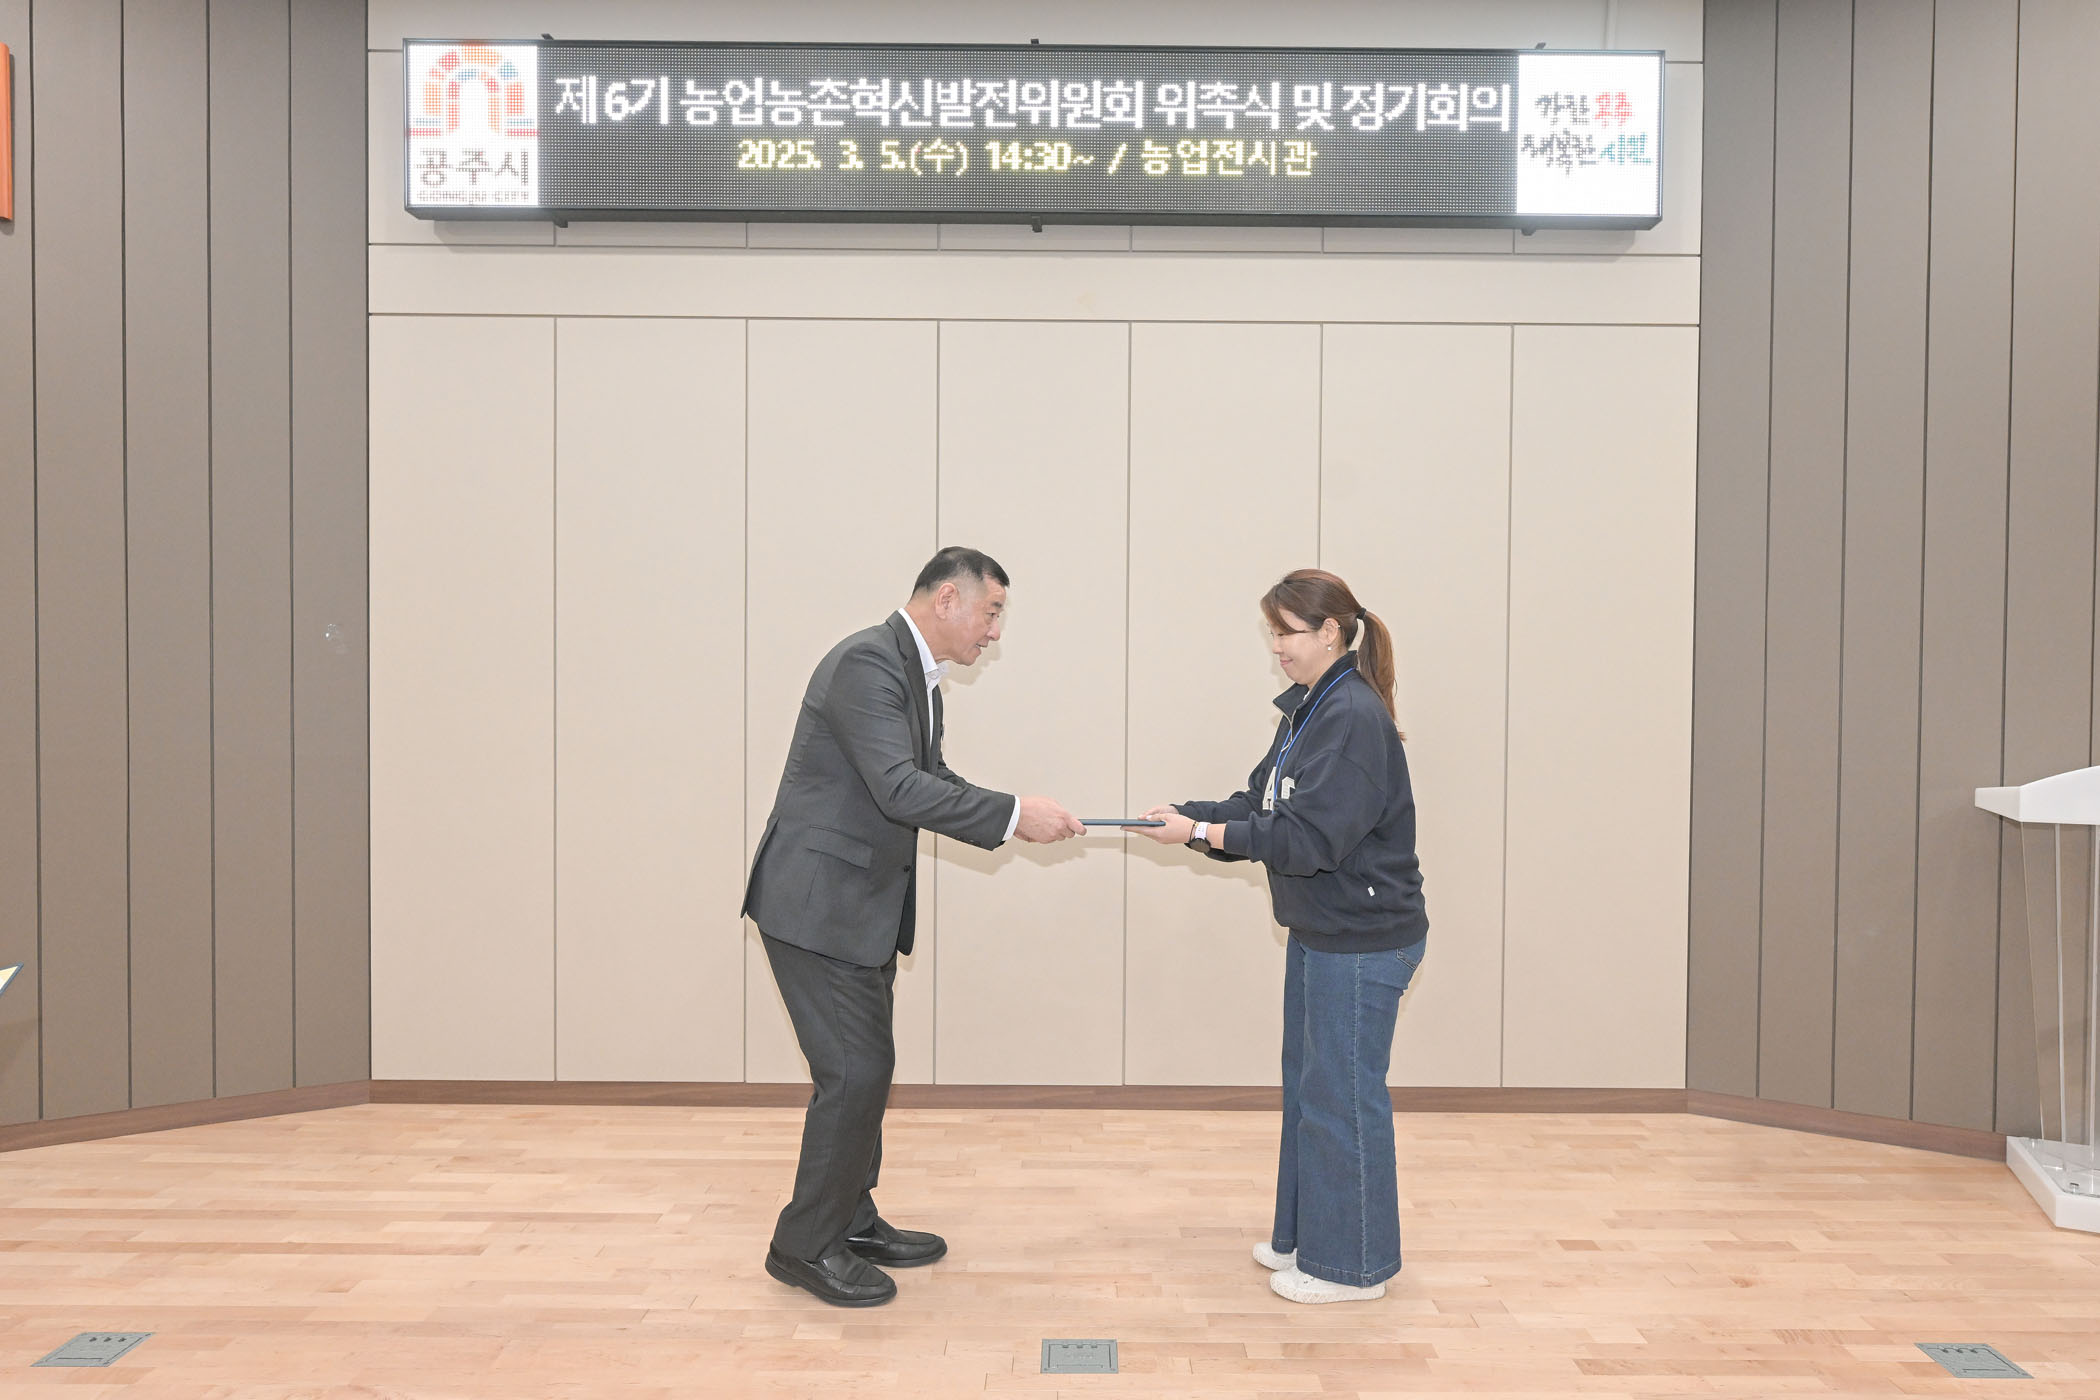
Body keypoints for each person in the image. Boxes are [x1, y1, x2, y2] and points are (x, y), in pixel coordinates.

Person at [744, 546, 1085, 1307]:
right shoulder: (868, 663)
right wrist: (1012, 816)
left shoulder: (914, 676)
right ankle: (803, 1246)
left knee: (865, 1070)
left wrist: (1015, 813)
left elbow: (929, 779)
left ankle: (849, 1220)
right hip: (817, 906)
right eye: (991, 612)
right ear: (946, 600)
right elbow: (900, 789)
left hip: (855, 909)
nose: (994, 632)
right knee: (854, 1073)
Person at [1136, 568, 1427, 1305]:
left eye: (1285, 632)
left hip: (1362, 941)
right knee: (1311, 1091)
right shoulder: (1307, 710)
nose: (1276, 647)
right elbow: (1260, 804)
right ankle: (1307, 1238)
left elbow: (1309, 840)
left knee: (1342, 1101)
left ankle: (1351, 1268)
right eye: (1271, 632)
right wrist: (1190, 819)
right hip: (1323, 932)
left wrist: (1200, 832)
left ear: (1330, 633)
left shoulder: (1351, 716)